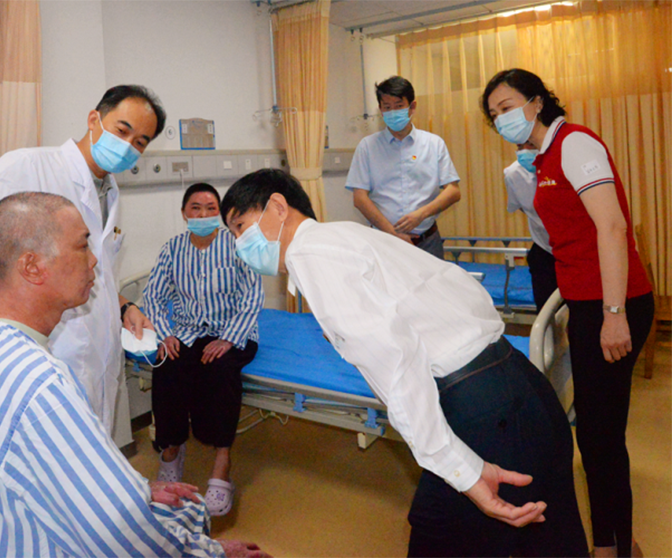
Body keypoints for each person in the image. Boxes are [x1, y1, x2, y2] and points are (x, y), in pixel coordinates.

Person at [221, 169, 588, 558]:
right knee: (552, 540)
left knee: (437, 535)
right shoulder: (345, 234)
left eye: (240, 227)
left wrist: (460, 468)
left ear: (278, 207)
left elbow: (397, 362)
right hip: (523, 384)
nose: (239, 244)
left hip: (484, 412)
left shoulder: (310, 254)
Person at [0, 191, 272, 558]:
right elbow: (125, 536)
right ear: (31, 267)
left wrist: (139, 490)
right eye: (82, 246)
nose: (95, 260)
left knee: (172, 503)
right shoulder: (41, 386)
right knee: (190, 513)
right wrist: (216, 553)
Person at [482, 68, 654, 558]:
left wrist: (613, 314)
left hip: (611, 304)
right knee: (597, 436)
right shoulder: (542, 158)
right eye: (494, 114)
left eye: (508, 106)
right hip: (586, 303)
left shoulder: (574, 144)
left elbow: (612, 228)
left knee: (601, 438)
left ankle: (613, 548)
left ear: (537, 102)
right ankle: (615, 541)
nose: (502, 118)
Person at [0, 85, 161, 435]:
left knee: (88, 454)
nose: (127, 146)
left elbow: (95, 272)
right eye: (122, 130)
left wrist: (124, 306)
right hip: (51, 357)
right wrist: (18, 269)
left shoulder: (110, 191)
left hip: (100, 361)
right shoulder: (31, 165)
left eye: (140, 142)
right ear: (94, 119)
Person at [143, 183, 264, 517]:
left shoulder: (237, 246)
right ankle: (171, 450)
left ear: (220, 214)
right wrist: (165, 334)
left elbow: (252, 295)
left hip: (233, 330)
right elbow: (153, 295)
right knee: (167, 365)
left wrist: (229, 338)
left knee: (221, 369)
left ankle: (222, 461)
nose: (203, 214)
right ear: (184, 213)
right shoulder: (172, 249)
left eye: (211, 208)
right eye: (195, 208)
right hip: (187, 331)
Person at [346, 76, 461, 259]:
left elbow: (453, 191)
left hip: (427, 240)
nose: (393, 112)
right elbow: (360, 198)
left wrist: (420, 215)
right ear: (380, 109)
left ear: (412, 107)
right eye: (387, 107)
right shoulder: (367, 147)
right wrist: (393, 233)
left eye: (399, 106)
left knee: (434, 279)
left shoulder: (433, 143)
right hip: (384, 240)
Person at [503, 140, 558, 311]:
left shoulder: (563, 164)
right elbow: (521, 206)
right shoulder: (513, 174)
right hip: (544, 250)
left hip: (575, 250)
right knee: (546, 312)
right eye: (520, 147)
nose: (525, 151)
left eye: (531, 145)